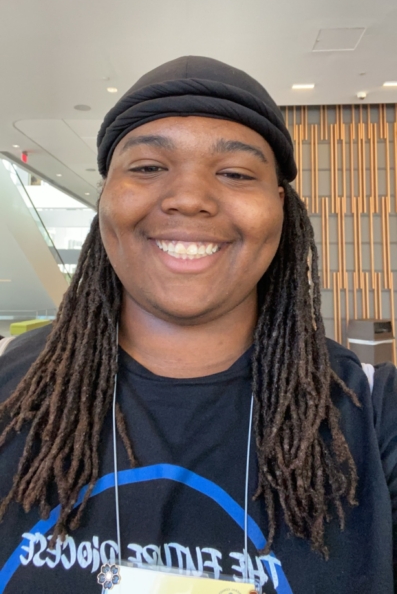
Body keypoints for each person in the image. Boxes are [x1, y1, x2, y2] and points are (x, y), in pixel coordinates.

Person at [0, 55, 396, 594]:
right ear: (105, 197)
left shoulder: (370, 411)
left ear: (280, 207)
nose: (188, 198)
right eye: (147, 168)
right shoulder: (11, 390)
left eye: (234, 173)